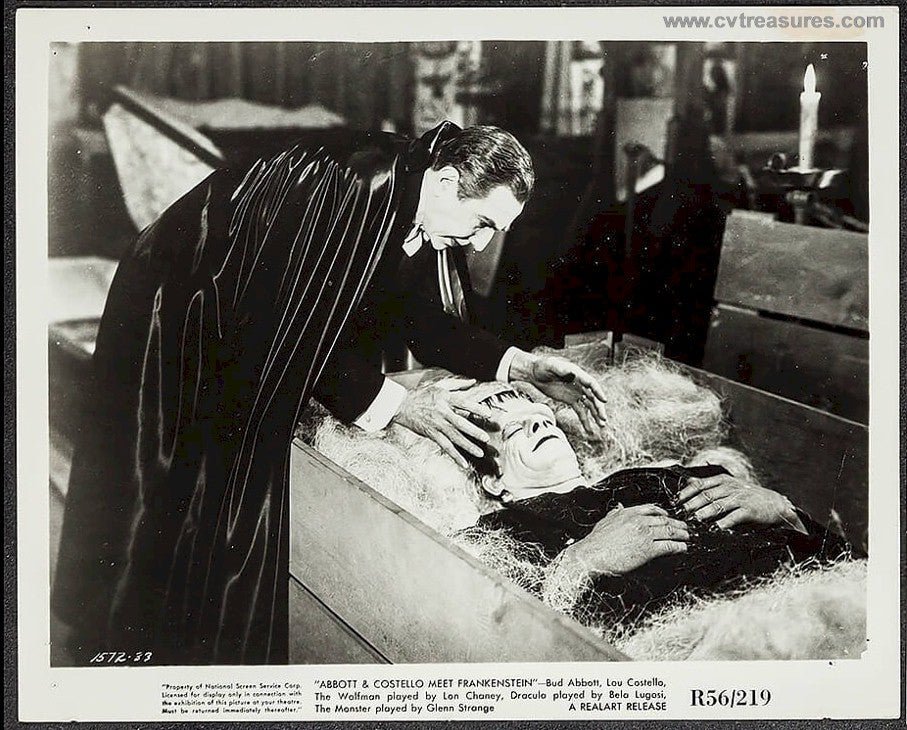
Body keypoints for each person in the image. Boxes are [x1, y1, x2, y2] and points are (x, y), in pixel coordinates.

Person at [52, 122, 610, 666]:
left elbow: (416, 318)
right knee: (172, 468)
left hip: (243, 318)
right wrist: (399, 404)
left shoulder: (421, 197)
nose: (482, 243)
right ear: (447, 182)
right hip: (181, 309)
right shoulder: (353, 187)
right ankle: (127, 642)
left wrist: (520, 365)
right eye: (483, 222)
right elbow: (288, 326)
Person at [456, 384, 849, 625]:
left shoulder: (658, 475)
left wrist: (786, 512)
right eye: (515, 429)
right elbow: (498, 633)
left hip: (837, 597)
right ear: (493, 481)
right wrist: (579, 562)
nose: (540, 425)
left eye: (545, 419)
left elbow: (846, 560)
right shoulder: (501, 535)